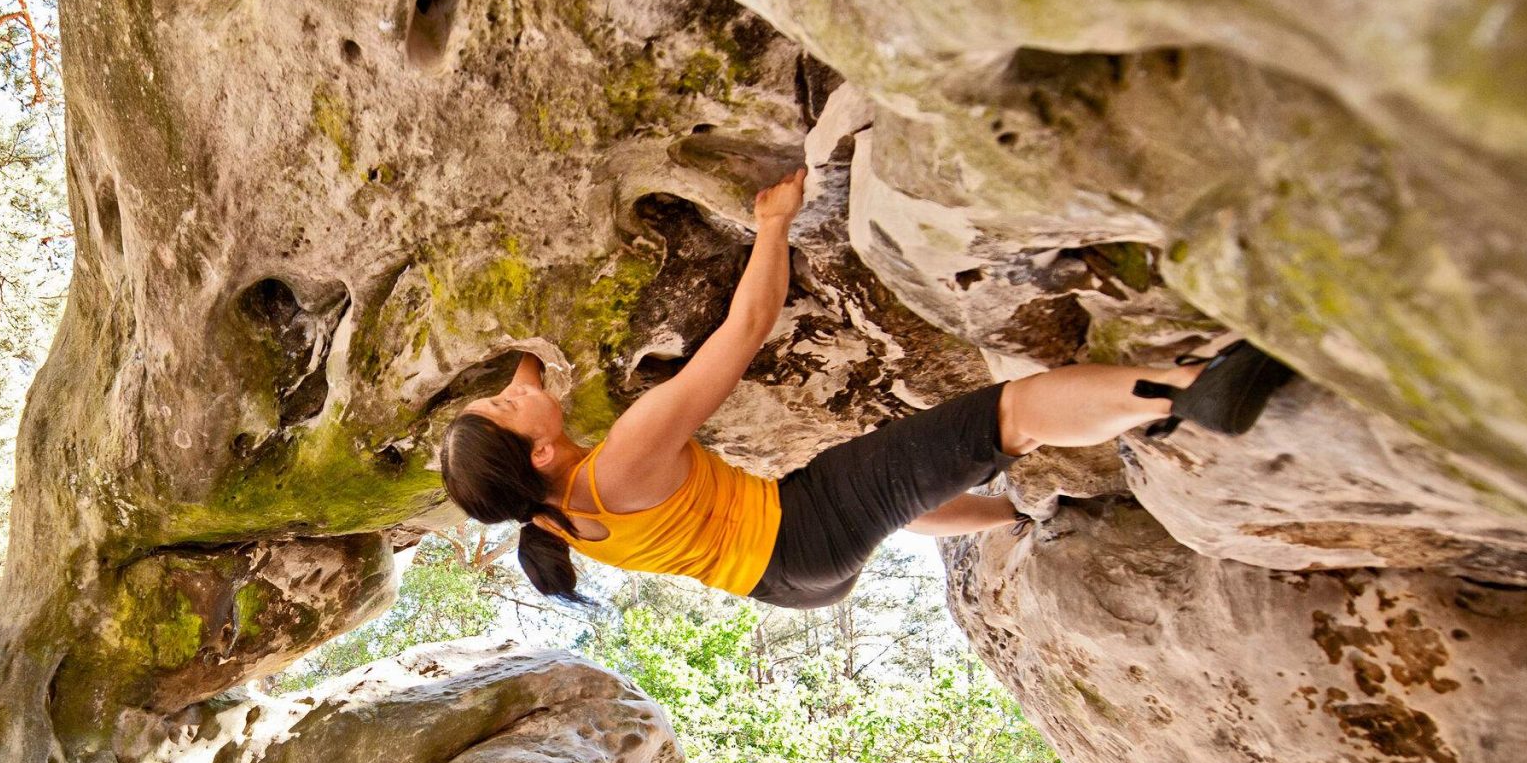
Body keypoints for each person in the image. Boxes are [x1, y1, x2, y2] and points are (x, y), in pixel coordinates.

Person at [438, 171, 1295, 606]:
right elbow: (746, 325)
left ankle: (1018, 512)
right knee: (1008, 416)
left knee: (894, 497)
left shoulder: (550, 519)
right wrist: (773, 222)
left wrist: (521, 380)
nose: (510, 392)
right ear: (541, 450)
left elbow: (528, 388)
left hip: (789, 583)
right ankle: (1190, 390)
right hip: (803, 529)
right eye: (506, 410)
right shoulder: (624, 455)